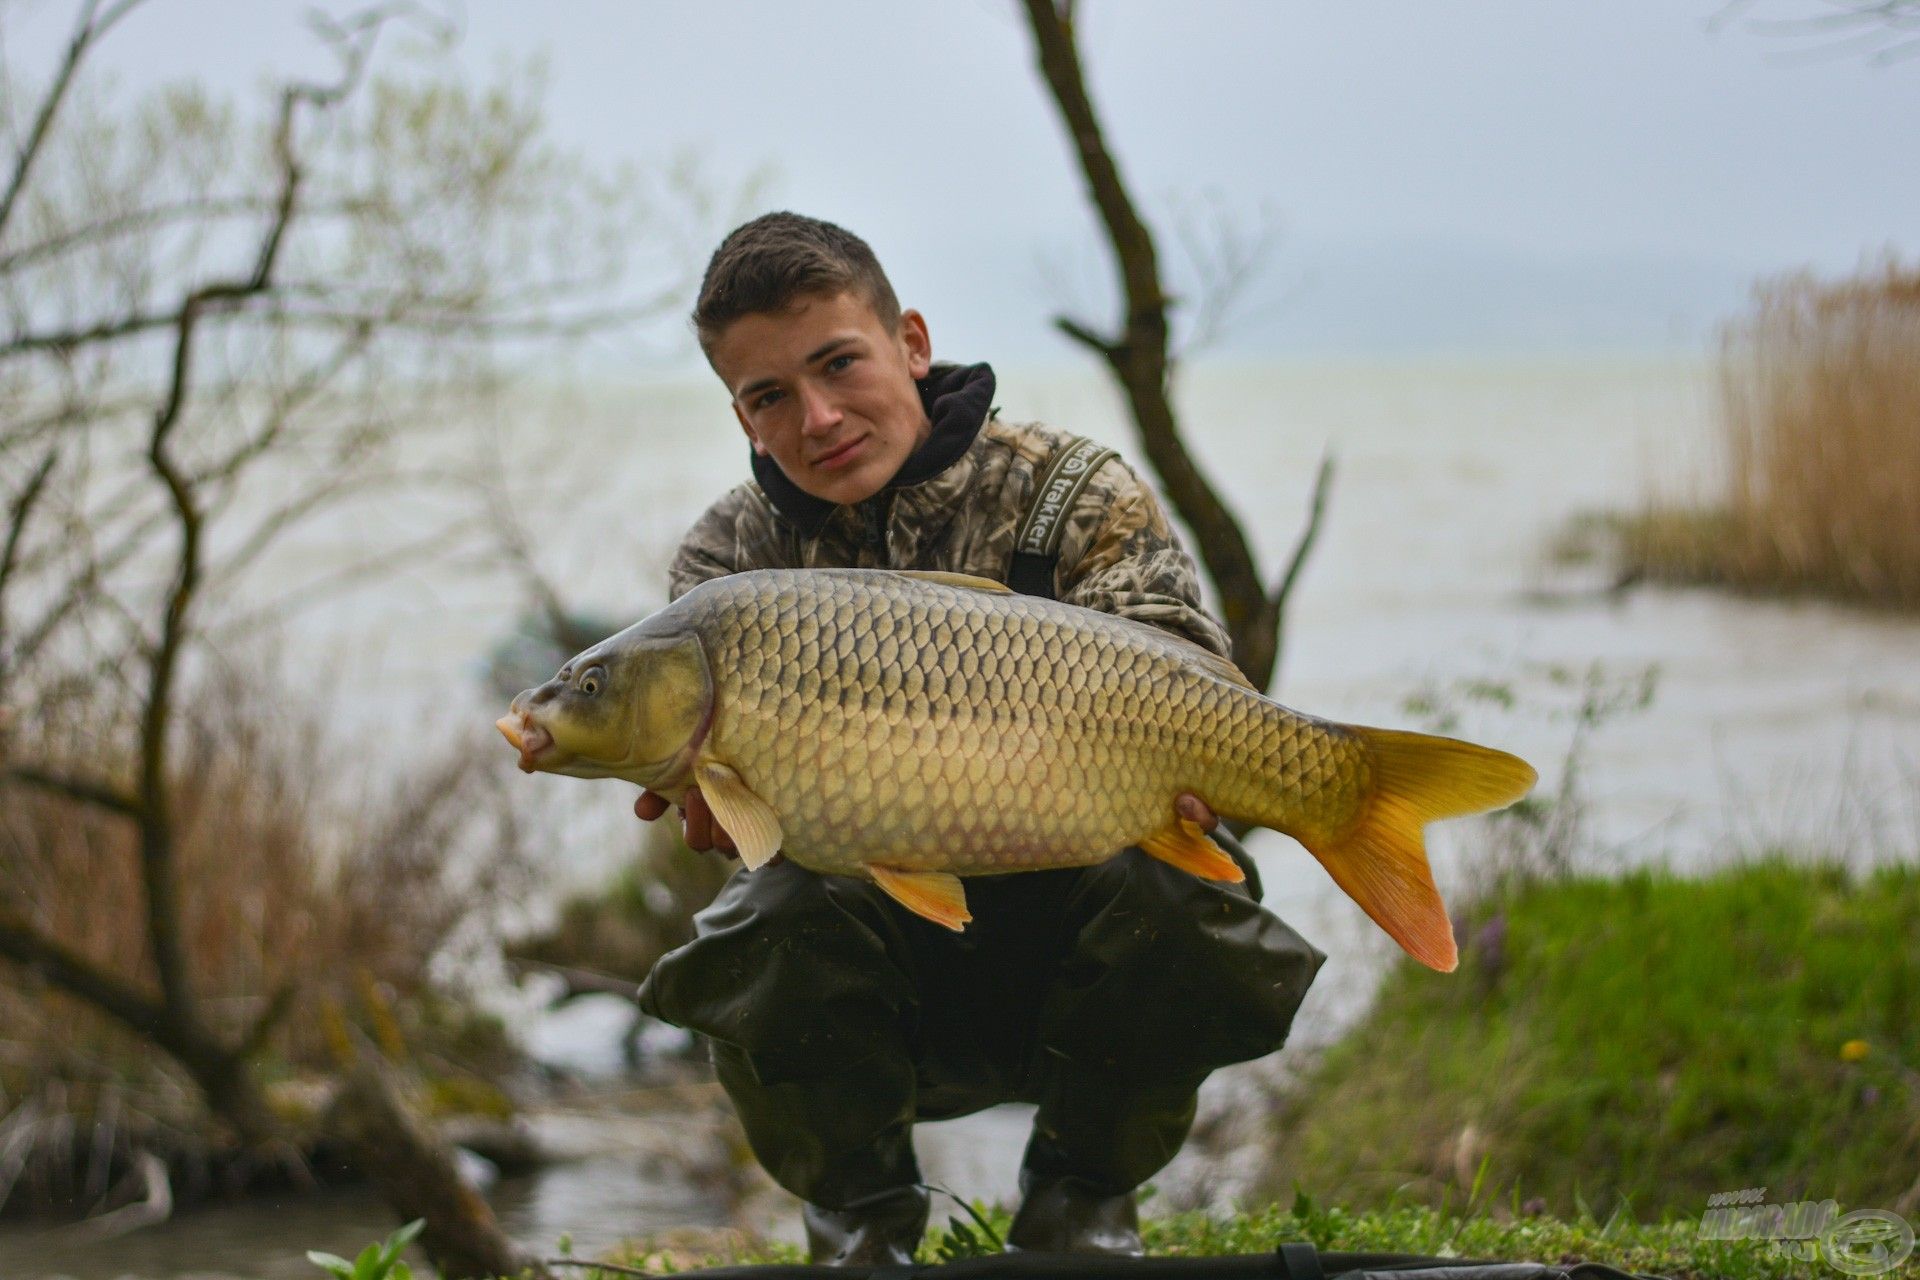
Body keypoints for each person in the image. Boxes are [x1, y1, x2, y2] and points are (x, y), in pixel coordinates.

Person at [633, 212, 1324, 1265]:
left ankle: (1081, 1202)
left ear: (910, 342)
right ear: (741, 414)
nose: (818, 416)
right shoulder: (731, 560)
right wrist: (720, 803)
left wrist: (1204, 789)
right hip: (888, 966)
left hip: (1075, 946)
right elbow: (737, 815)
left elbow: (1189, 673)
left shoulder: (1069, 489)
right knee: (762, 914)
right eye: (771, 395)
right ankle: (858, 1219)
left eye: (839, 364)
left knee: (1186, 897)